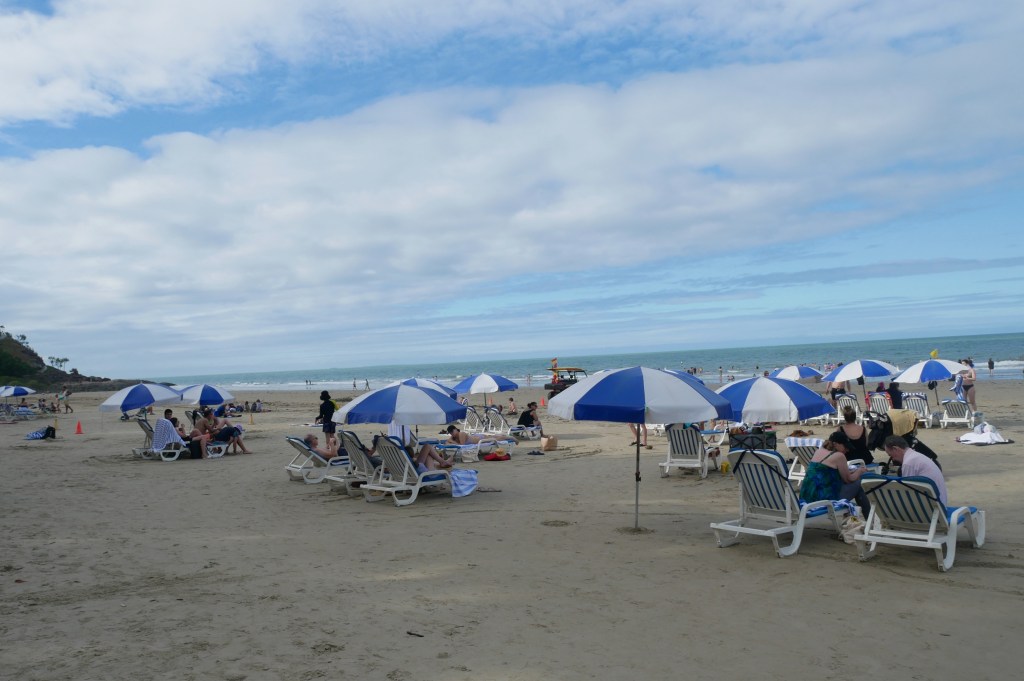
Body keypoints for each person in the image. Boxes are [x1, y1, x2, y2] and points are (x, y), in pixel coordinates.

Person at [799, 431, 871, 516]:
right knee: (858, 484)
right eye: (845, 446)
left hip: (807, 497)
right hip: (824, 501)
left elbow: (827, 474)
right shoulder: (839, 456)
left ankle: (864, 518)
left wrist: (852, 472)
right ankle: (869, 518)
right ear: (836, 444)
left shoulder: (819, 451)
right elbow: (849, 479)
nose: (847, 450)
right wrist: (860, 471)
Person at [883, 435, 947, 505]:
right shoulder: (916, 456)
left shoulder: (909, 463)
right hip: (939, 503)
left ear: (895, 449)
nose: (893, 459)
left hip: (931, 506)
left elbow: (907, 492)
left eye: (891, 455)